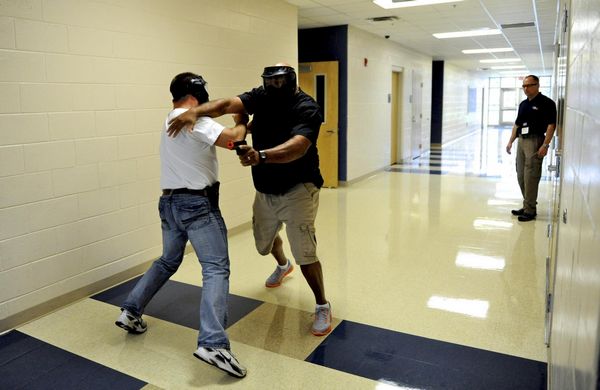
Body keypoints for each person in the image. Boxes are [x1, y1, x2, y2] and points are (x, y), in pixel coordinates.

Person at [167, 63, 332, 336]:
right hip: (265, 188)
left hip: (298, 187)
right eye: (270, 86)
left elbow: (299, 146)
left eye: (280, 86)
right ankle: (282, 265)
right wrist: (194, 111)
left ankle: (322, 304)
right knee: (263, 243)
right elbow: (227, 105)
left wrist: (261, 156)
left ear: (290, 85)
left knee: (305, 251)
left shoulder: (307, 107)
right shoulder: (262, 95)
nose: (274, 91)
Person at [115, 72, 248, 378]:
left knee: (167, 260)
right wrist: (242, 118)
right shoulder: (192, 119)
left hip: (170, 203)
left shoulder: (170, 118)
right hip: (197, 205)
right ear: (196, 94)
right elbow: (233, 141)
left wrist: (235, 118)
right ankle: (213, 343)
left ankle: (131, 311)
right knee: (216, 268)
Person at [506, 75, 557, 222]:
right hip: (521, 140)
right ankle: (527, 204)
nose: (526, 89)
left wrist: (545, 144)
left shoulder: (547, 103)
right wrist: (510, 141)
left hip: (535, 140)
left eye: (529, 85)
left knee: (531, 175)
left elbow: (551, 126)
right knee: (521, 174)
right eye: (524, 86)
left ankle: (530, 210)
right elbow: (517, 125)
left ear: (537, 85)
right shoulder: (523, 104)